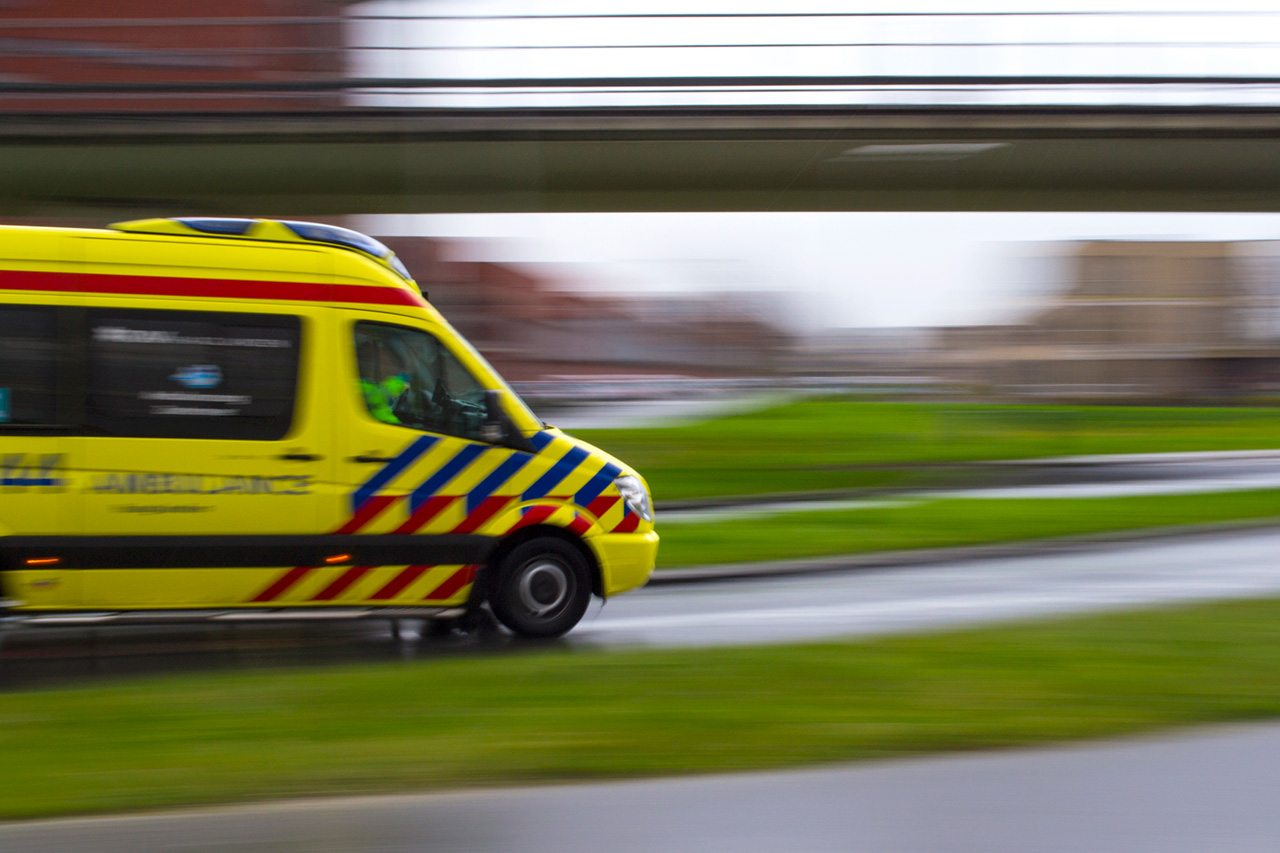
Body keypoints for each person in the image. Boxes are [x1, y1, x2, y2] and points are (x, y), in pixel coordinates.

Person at [356, 337, 412, 425]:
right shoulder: (354, 385)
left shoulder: (373, 384)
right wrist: (394, 386)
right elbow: (374, 397)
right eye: (366, 358)